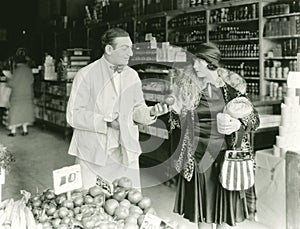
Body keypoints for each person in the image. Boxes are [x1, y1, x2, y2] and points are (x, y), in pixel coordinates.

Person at [169, 42, 260, 229]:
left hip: (225, 156)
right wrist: (174, 113)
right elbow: (174, 124)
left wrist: (238, 123)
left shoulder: (231, 88)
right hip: (198, 157)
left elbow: (254, 119)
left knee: (225, 211)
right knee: (204, 212)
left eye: (200, 62)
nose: (194, 66)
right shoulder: (185, 87)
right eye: (194, 61)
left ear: (211, 63)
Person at [66, 28, 169, 189]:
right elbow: (73, 114)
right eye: (124, 48)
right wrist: (105, 122)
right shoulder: (85, 74)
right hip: (93, 151)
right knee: (90, 203)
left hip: (124, 150)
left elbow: (137, 109)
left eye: (131, 48)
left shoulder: (132, 75)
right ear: (108, 49)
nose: (130, 53)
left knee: (127, 204)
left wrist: (150, 112)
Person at [6, 48, 35, 136]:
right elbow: (32, 80)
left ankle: (13, 131)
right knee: (25, 112)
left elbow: (12, 83)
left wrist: (8, 78)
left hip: (17, 95)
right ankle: (25, 130)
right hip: (27, 94)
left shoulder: (17, 71)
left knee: (15, 112)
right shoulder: (28, 70)